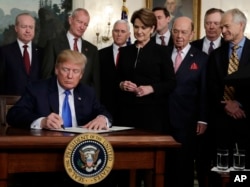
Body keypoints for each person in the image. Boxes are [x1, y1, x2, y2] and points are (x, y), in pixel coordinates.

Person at [116, 8, 175, 187]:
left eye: (144, 27)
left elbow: (171, 83)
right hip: (127, 117)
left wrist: (151, 88)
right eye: (136, 27)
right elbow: (116, 80)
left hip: (152, 117)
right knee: (126, 166)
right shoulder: (125, 52)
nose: (139, 31)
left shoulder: (162, 52)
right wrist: (122, 84)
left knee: (148, 168)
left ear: (152, 29)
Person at [7, 49, 112, 131]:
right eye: (65, 69)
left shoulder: (87, 92)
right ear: (56, 70)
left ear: (81, 75)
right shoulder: (37, 89)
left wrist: (102, 119)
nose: (70, 76)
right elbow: (14, 114)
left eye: (75, 71)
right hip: (48, 145)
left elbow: (103, 111)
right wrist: (42, 122)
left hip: (79, 146)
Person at [166, 16, 208, 187]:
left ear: (192, 34)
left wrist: (203, 118)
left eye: (184, 32)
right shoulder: (162, 53)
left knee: (183, 166)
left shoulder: (201, 58)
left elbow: (204, 90)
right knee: (165, 167)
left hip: (187, 121)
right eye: (176, 31)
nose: (179, 36)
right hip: (163, 119)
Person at [207, 8, 250, 173]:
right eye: (221, 27)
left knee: (242, 174)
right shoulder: (216, 54)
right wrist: (226, 104)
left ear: (240, 25)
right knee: (222, 172)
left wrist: (238, 104)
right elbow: (211, 87)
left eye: (226, 26)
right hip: (221, 122)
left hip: (246, 121)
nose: (222, 31)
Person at [41, 8, 100, 98]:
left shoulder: (92, 50)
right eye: (79, 22)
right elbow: (47, 76)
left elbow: (95, 82)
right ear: (70, 20)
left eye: (85, 24)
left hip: (84, 102)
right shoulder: (53, 44)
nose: (82, 27)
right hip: (58, 99)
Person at [0, 13, 42, 95]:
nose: (28, 31)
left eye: (31, 27)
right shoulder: (4, 52)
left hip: (36, 104)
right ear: (16, 28)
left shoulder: (42, 52)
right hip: (11, 104)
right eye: (24, 27)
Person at [99, 19, 131, 125]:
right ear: (112, 32)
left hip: (129, 108)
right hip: (106, 107)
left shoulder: (135, 54)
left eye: (123, 31)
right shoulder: (100, 54)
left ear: (128, 35)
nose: (119, 34)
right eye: (116, 31)